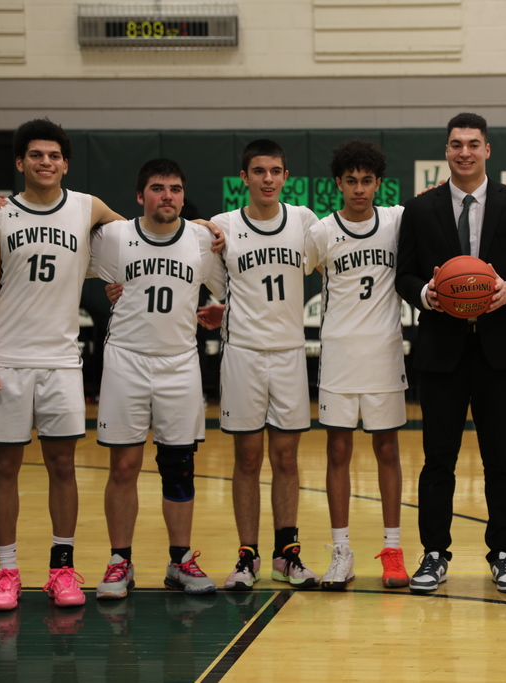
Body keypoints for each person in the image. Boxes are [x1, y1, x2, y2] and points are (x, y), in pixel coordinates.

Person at [396, 112, 506, 594]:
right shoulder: (420, 210)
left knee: (501, 460)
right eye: (456, 144)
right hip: (442, 349)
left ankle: (504, 554)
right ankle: (434, 554)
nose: (464, 152)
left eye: (473, 144)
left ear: (488, 151)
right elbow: (404, 276)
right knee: (437, 460)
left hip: (502, 351)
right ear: (446, 151)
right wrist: (427, 295)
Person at [0, 118, 123, 611]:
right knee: (5, 469)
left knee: (63, 466)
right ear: (20, 163)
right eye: (36, 155)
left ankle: (62, 569)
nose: (46, 163)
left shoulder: (86, 207)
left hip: (61, 361)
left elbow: (140, 238)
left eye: (54, 156)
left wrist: (204, 231)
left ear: (65, 163)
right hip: (7, 360)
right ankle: (6, 571)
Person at [91, 159, 227, 599]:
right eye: (156, 188)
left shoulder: (203, 240)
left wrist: (222, 310)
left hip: (179, 363)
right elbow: (65, 247)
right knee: (124, 465)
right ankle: (120, 562)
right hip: (126, 361)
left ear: (184, 196)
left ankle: (180, 561)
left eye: (174, 188)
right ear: (139, 196)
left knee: (179, 467)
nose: (166, 195)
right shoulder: (113, 237)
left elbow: (231, 289)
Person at [205, 139, 322, 590]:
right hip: (243, 354)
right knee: (248, 457)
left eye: (275, 171)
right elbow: (214, 279)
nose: (268, 179)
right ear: (244, 178)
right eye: (259, 171)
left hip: (290, 351)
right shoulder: (221, 226)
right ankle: (247, 557)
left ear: (285, 176)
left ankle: (287, 555)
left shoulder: (305, 221)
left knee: (287, 458)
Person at [306, 140, 409, 590]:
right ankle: (341, 552)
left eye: (368, 181)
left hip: (385, 354)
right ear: (338, 184)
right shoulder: (321, 232)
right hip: (339, 357)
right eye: (351, 181)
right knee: (338, 452)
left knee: (387, 450)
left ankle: (392, 550)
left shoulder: (396, 220)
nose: (360, 189)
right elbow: (294, 277)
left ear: (379, 183)